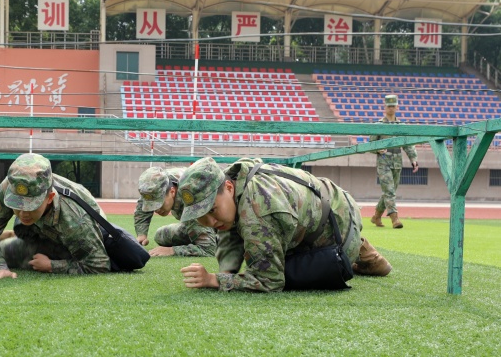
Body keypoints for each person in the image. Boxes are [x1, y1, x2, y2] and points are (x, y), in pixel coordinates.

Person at [177, 157, 393, 292]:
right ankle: (366, 252)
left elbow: (270, 281)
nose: (211, 223)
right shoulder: (238, 174)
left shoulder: (257, 210)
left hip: (338, 232)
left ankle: (354, 253)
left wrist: (216, 280)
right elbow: (230, 231)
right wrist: (228, 270)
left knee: (288, 270)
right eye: (201, 216)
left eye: (212, 210)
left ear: (228, 188)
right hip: (336, 204)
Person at [0, 153, 111, 279]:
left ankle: (24, 237)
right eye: (17, 204)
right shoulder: (10, 185)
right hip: (42, 225)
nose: (23, 213)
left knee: (17, 254)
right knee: (0, 254)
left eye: (31, 206)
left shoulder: (76, 220)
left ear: (50, 197)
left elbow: (99, 264)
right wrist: (0, 268)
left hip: (74, 236)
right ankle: (23, 235)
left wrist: (52, 265)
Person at [134, 166, 216, 257]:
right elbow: (143, 204)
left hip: (220, 226)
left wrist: (172, 250)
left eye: (159, 203)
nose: (156, 209)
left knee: (208, 242)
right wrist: (141, 234)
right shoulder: (155, 185)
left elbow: (209, 249)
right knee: (161, 235)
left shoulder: (191, 195)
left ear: (172, 192)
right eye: (152, 205)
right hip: (195, 221)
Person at [370, 94, 419, 229]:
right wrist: (377, 150)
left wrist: (413, 159)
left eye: (393, 106)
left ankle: (376, 216)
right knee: (390, 191)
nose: (391, 108)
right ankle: (394, 218)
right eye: (388, 106)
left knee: (389, 192)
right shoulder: (379, 125)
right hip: (383, 162)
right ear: (384, 107)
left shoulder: (401, 126)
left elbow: (408, 144)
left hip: (397, 162)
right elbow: (371, 144)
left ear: (397, 107)